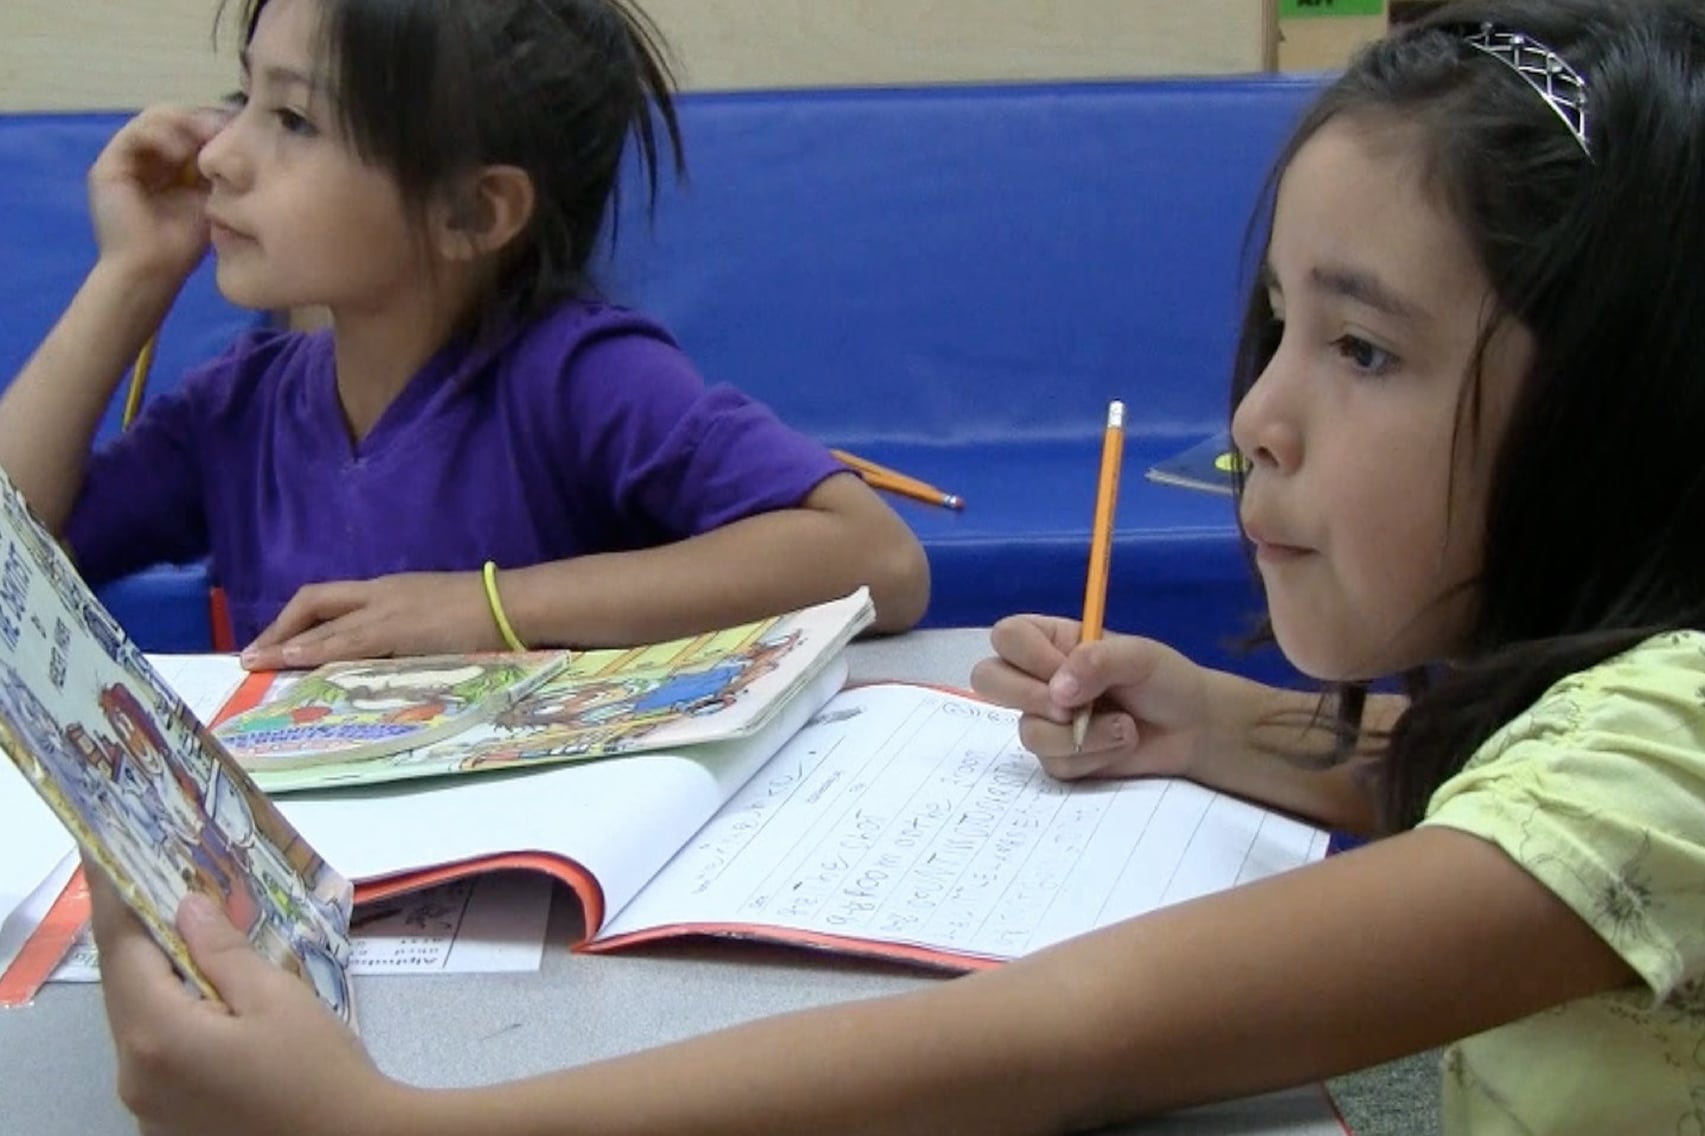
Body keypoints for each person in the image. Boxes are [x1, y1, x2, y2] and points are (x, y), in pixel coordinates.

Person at [85, 1, 1705, 1131]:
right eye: (1282, 327)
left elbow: (1071, 1036)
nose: (1257, 417)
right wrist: (1239, 729)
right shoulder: (1610, 729)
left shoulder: (1676, 743)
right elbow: (1497, 793)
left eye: (1361, 346)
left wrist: (393, 1133)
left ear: (1630, 405)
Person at [0, 0, 930, 671]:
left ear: (473, 212)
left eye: (292, 118)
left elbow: (877, 561)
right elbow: (11, 568)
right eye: (237, 97)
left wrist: (486, 607)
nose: (217, 154)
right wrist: (129, 276)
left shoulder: (580, 378)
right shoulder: (235, 411)